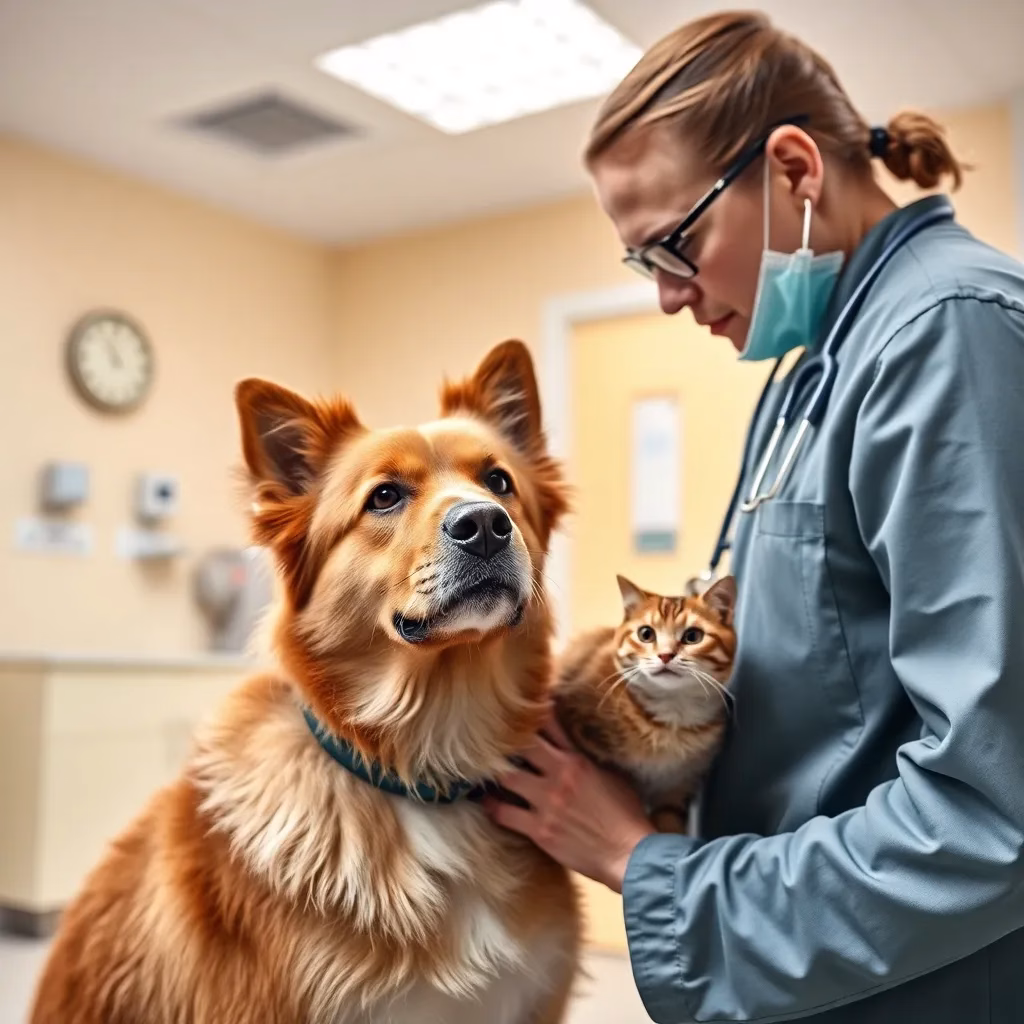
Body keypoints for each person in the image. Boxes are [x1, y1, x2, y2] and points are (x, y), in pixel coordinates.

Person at [482, 9, 1024, 1023]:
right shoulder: (806, 373)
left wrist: (643, 866)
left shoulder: (948, 336)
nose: (669, 298)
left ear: (793, 171)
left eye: (674, 245)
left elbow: (993, 808)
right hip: (815, 969)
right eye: (643, 266)